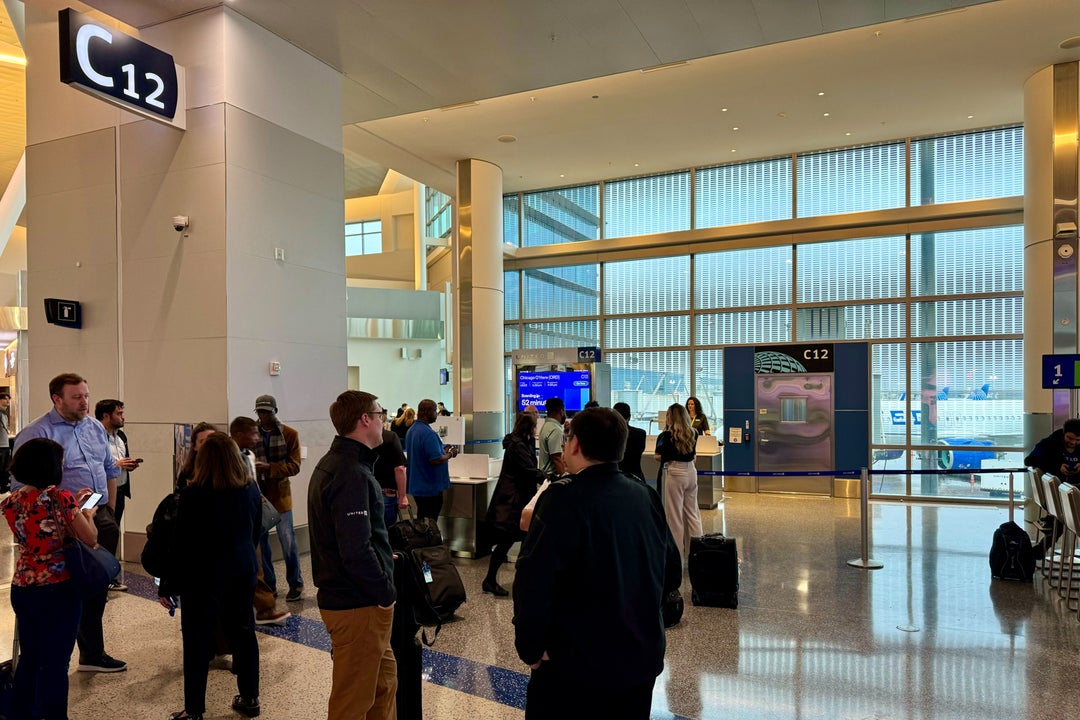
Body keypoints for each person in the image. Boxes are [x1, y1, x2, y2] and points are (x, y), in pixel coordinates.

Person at [512, 407, 681, 719]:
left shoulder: (562, 500)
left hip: (575, 669)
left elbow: (533, 581)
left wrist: (532, 649)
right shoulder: (645, 495)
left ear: (575, 445)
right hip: (639, 663)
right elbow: (671, 573)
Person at [12, 373, 125, 673]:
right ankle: (55, 658)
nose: (84, 401)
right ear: (57, 399)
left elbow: (107, 469)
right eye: (76, 397)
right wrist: (62, 517)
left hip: (96, 513)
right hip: (61, 523)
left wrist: (109, 510)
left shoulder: (94, 428)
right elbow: (19, 484)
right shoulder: (37, 432)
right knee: (69, 590)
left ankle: (92, 652)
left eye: (86, 395)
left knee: (96, 585)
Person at [308, 390, 397, 720]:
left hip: (359, 601)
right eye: (380, 413)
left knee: (383, 686)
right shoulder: (350, 474)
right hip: (357, 605)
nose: (383, 420)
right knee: (352, 702)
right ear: (365, 420)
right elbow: (355, 551)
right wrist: (385, 593)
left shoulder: (344, 465)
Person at [165, 432, 262, 720]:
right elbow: (255, 531)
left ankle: (194, 710)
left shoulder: (193, 495)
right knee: (244, 634)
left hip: (202, 574)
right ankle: (250, 698)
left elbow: (181, 541)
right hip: (242, 568)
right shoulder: (251, 490)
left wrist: (169, 582)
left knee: (196, 641)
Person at [2, 438, 99, 720]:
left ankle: (24, 713)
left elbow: (38, 528)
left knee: (30, 657)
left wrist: (72, 509)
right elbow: (90, 538)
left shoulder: (11, 502)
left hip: (23, 586)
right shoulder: (61, 498)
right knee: (56, 661)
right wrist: (87, 513)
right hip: (59, 588)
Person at [230, 416, 291, 627]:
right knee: (252, 564)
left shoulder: (249, 456)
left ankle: (263, 608)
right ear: (238, 434)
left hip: (253, 515)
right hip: (239, 520)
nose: (256, 438)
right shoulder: (229, 457)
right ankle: (262, 608)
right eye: (252, 433)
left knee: (257, 562)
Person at [483, 411, 543, 597]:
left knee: (522, 540)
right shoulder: (517, 446)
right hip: (513, 502)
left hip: (515, 499)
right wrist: (548, 477)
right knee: (507, 541)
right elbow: (528, 469)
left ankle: (520, 579)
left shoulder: (520, 443)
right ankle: (491, 580)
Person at [253, 394, 304, 602]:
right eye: (261, 412)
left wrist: (269, 468)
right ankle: (270, 585)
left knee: (288, 541)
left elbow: (295, 466)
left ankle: (296, 584)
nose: (264, 416)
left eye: (268, 411)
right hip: (258, 495)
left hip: (281, 496)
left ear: (275, 411)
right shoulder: (252, 434)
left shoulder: (290, 434)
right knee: (262, 544)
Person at [95, 400, 141, 585]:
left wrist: (128, 465)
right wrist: (117, 465)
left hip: (119, 490)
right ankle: (99, 575)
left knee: (113, 532)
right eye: (118, 414)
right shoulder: (95, 437)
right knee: (100, 533)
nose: (122, 417)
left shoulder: (120, 436)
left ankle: (109, 573)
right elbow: (95, 465)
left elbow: (121, 462)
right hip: (100, 494)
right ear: (106, 416)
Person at [655, 402, 703, 561]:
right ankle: (696, 555)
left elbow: (660, 457)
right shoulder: (694, 433)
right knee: (692, 514)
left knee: (674, 517)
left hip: (674, 473)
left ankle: (677, 560)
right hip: (691, 472)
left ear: (671, 417)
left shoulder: (666, 436)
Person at [405, 398, 458, 521]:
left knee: (422, 516)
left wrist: (442, 449)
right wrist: (451, 453)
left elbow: (424, 454)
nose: (436, 414)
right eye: (435, 411)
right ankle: (429, 540)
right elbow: (436, 459)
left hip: (418, 484)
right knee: (430, 520)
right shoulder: (428, 433)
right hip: (429, 486)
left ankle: (423, 538)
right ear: (427, 412)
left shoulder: (412, 430)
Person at [373, 426, 408, 529]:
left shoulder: (358, 436)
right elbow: (400, 469)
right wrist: (402, 496)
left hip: (364, 493)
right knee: (387, 534)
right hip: (386, 494)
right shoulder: (390, 437)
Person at [176, 422, 218, 491]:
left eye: (211, 440)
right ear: (195, 446)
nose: (208, 445)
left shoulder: (227, 470)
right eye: (202, 441)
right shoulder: (187, 472)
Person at [614, 402, 646, 480]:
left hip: (615, 476)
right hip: (635, 475)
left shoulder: (609, 434)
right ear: (629, 417)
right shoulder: (640, 433)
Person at [537, 398, 567, 476]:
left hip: (545, 477)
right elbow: (557, 459)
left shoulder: (546, 426)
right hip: (552, 478)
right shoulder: (555, 430)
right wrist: (566, 478)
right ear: (561, 411)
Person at [0, 389, 11, 487]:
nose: (7, 401)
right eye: (5, 399)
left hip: (5, 443)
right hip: (1, 444)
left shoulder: (4, 414)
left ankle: (3, 485)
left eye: (8, 399)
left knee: (5, 467)